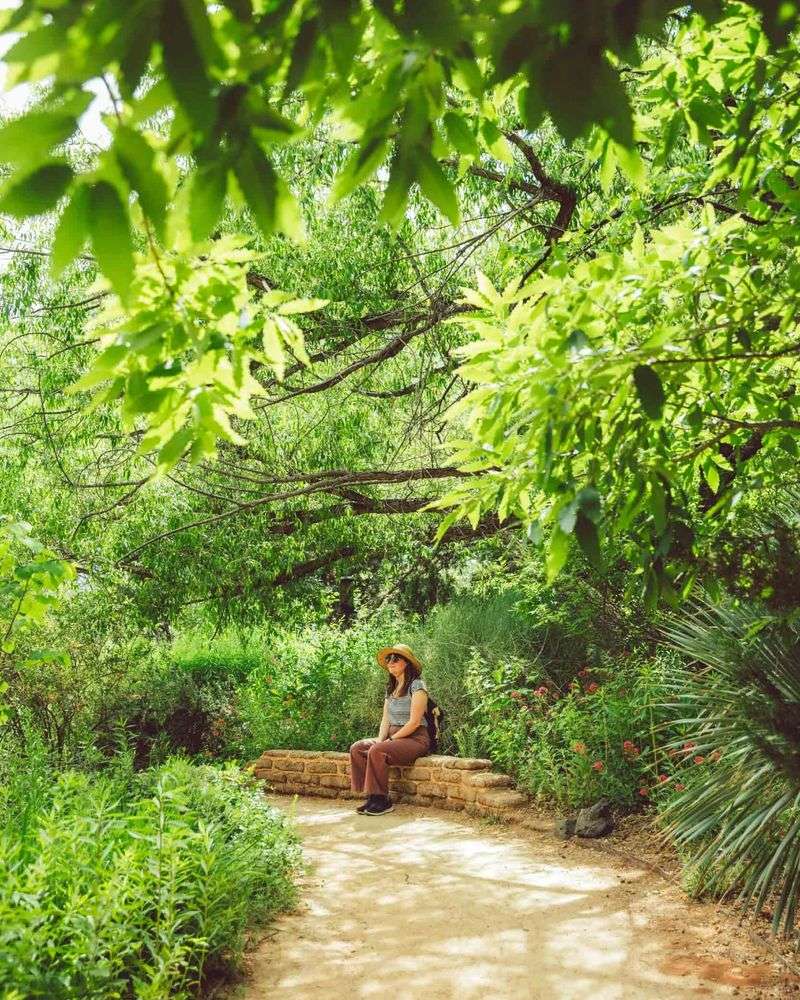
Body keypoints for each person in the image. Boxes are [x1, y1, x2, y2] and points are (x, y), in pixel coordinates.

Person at [349, 643, 431, 816]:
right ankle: (371, 796)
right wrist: (380, 740)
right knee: (358, 748)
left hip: (415, 739)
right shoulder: (391, 688)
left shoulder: (417, 686)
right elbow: (385, 719)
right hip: (394, 738)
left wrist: (390, 741)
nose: (390, 662)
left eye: (395, 659)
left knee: (378, 750)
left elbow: (414, 723)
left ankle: (382, 801)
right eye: (388, 659)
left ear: (407, 662)